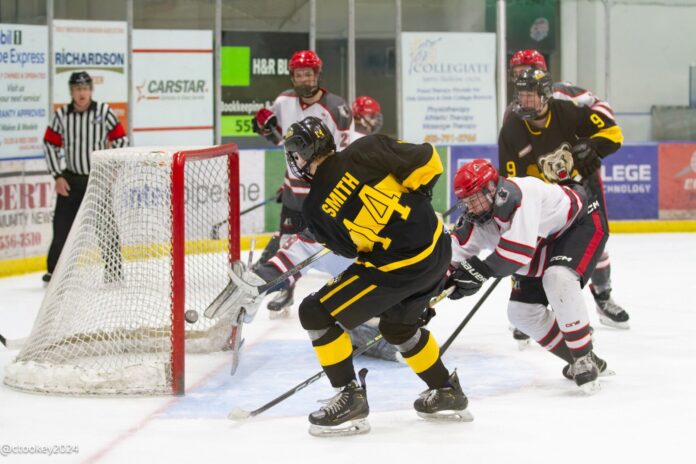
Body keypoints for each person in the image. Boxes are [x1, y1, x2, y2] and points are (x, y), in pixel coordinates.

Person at [281, 116, 471, 437]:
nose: (295, 161)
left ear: (303, 153)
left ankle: (348, 395)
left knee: (315, 312)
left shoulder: (313, 207)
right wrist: (417, 202)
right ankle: (446, 390)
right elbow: (429, 162)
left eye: (295, 154)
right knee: (397, 327)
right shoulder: (366, 148)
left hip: (398, 267)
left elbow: (351, 250)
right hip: (438, 248)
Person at [448, 159, 610, 394]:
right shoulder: (479, 218)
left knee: (558, 277)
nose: (470, 208)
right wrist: (433, 288)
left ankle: (583, 357)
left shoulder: (521, 193)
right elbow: (452, 255)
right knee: (521, 313)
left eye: (474, 199)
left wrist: (478, 272)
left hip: (579, 224)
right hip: (542, 244)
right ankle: (582, 359)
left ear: (492, 189)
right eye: (466, 202)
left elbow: (516, 253)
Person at [505, 50, 628, 334]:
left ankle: (603, 297)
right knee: (527, 241)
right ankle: (531, 305)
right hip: (544, 189)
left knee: (593, 242)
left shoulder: (564, 94)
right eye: (516, 69)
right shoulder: (515, 110)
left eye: (526, 67)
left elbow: (602, 109)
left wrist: (592, 145)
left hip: (581, 180)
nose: (519, 73)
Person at [251, 50, 354, 316]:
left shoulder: (337, 109)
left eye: (309, 74)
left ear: (317, 75)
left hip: (323, 193)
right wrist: (263, 126)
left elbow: (343, 155)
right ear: (292, 76)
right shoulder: (283, 101)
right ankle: (286, 290)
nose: (304, 79)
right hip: (293, 192)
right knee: (288, 244)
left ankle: (349, 298)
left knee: (327, 248)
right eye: (299, 75)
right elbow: (277, 138)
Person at [42, 71, 128, 284]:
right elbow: (49, 144)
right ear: (71, 92)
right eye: (77, 89)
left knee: (106, 227)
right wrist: (57, 176)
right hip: (71, 180)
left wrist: (111, 169)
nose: (82, 93)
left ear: (91, 90)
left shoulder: (103, 111)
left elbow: (120, 140)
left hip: (97, 178)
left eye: (85, 88)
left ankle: (113, 271)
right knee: (61, 227)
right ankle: (55, 272)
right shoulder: (62, 115)